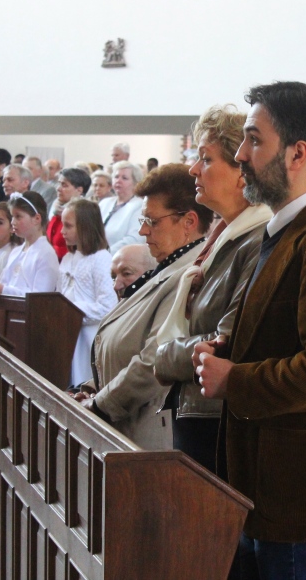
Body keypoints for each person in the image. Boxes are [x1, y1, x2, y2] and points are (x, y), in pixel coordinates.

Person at [191, 81, 306, 577]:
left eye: (254, 140)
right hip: (272, 481)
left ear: (298, 153)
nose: (241, 154)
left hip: (304, 493)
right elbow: (288, 330)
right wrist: (231, 347)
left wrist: (235, 379)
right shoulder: (289, 230)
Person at [147, 105, 271, 472]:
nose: (193, 170)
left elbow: (224, 343)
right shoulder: (224, 237)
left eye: (205, 159)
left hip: (217, 421)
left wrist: (166, 355)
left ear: (241, 172)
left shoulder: (258, 240)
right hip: (198, 413)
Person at [74, 164, 210, 449]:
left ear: (188, 222)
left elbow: (154, 359)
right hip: (125, 425)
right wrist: (90, 387)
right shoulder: (167, 267)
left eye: (152, 221)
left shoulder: (190, 273)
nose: (143, 230)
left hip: (146, 433)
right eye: (142, 219)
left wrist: (99, 404)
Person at [59, 199, 118, 387]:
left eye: (68, 226)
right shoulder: (70, 257)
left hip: (88, 338)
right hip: (67, 333)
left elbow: (107, 307)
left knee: (82, 382)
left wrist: (70, 310)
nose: (62, 231)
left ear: (85, 226)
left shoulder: (100, 259)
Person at [0, 192, 59, 296]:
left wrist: (1, 289)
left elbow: (40, 299)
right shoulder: (16, 251)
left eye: (18, 217)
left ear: (37, 219)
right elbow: (5, 285)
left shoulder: (46, 253)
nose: (13, 222)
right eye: (12, 217)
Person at [100, 161, 146, 252]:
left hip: (119, 259)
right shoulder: (104, 203)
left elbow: (134, 240)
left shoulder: (139, 206)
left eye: (124, 178)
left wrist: (105, 254)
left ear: (136, 183)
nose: (118, 180)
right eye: (116, 177)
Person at [48, 167, 91, 261]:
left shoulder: (84, 213)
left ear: (79, 190)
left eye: (64, 185)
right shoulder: (57, 208)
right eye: (59, 183)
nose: (58, 188)